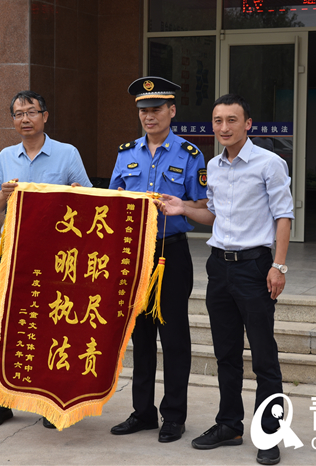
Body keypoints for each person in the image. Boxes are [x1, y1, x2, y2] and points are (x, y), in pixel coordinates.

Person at [159, 93, 293, 465]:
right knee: (226, 354)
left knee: (264, 357)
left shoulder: (269, 163)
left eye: (232, 120)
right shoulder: (214, 166)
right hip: (219, 267)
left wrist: (278, 266)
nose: (224, 127)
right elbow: (214, 215)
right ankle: (229, 425)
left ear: (247, 124)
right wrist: (183, 208)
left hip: (255, 267)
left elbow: (283, 216)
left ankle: (269, 433)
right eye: (218, 121)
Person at [0, 90, 92, 429]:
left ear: (44, 116)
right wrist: (3, 195)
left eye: (31, 112)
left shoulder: (66, 153)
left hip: (56, 258)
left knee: (50, 326)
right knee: (7, 326)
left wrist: (75, 195)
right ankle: (1, 402)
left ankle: (47, 402)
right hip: (14, 255)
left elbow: (88, 198)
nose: (25, 119)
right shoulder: (6, 156)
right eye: (18, 114)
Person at [108, 76, 207, 444]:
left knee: (174, 336)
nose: (149, 117)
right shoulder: (126, 153)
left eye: (156, 109)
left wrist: (180, 206)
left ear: (172, 111)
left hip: (171, 253)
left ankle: (174, 416)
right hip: (136, 255)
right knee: (141, 335)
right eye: (143, 111)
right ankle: (143, 412)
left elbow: (203, 204)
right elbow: (114, 201)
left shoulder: (191, 155)